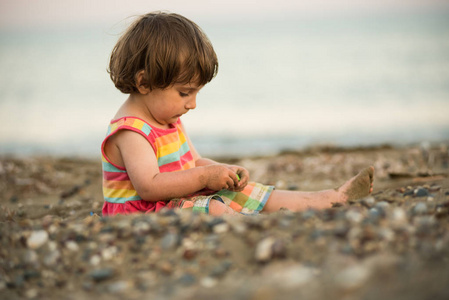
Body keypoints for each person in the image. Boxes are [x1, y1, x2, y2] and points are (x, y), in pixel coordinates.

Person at [101, 11, 374, 217]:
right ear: (144, 82)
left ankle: (328, 198)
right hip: (142, 212)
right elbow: (149, 186)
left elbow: (193, 164)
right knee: (215, 207)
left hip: (173, 198)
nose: (192, 104)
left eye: (196, 93)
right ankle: (246, 225)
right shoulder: (131, 131)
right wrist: (206, 179)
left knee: (246, 191)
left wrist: (221, 171)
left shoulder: (167, 118)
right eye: (185, 93)